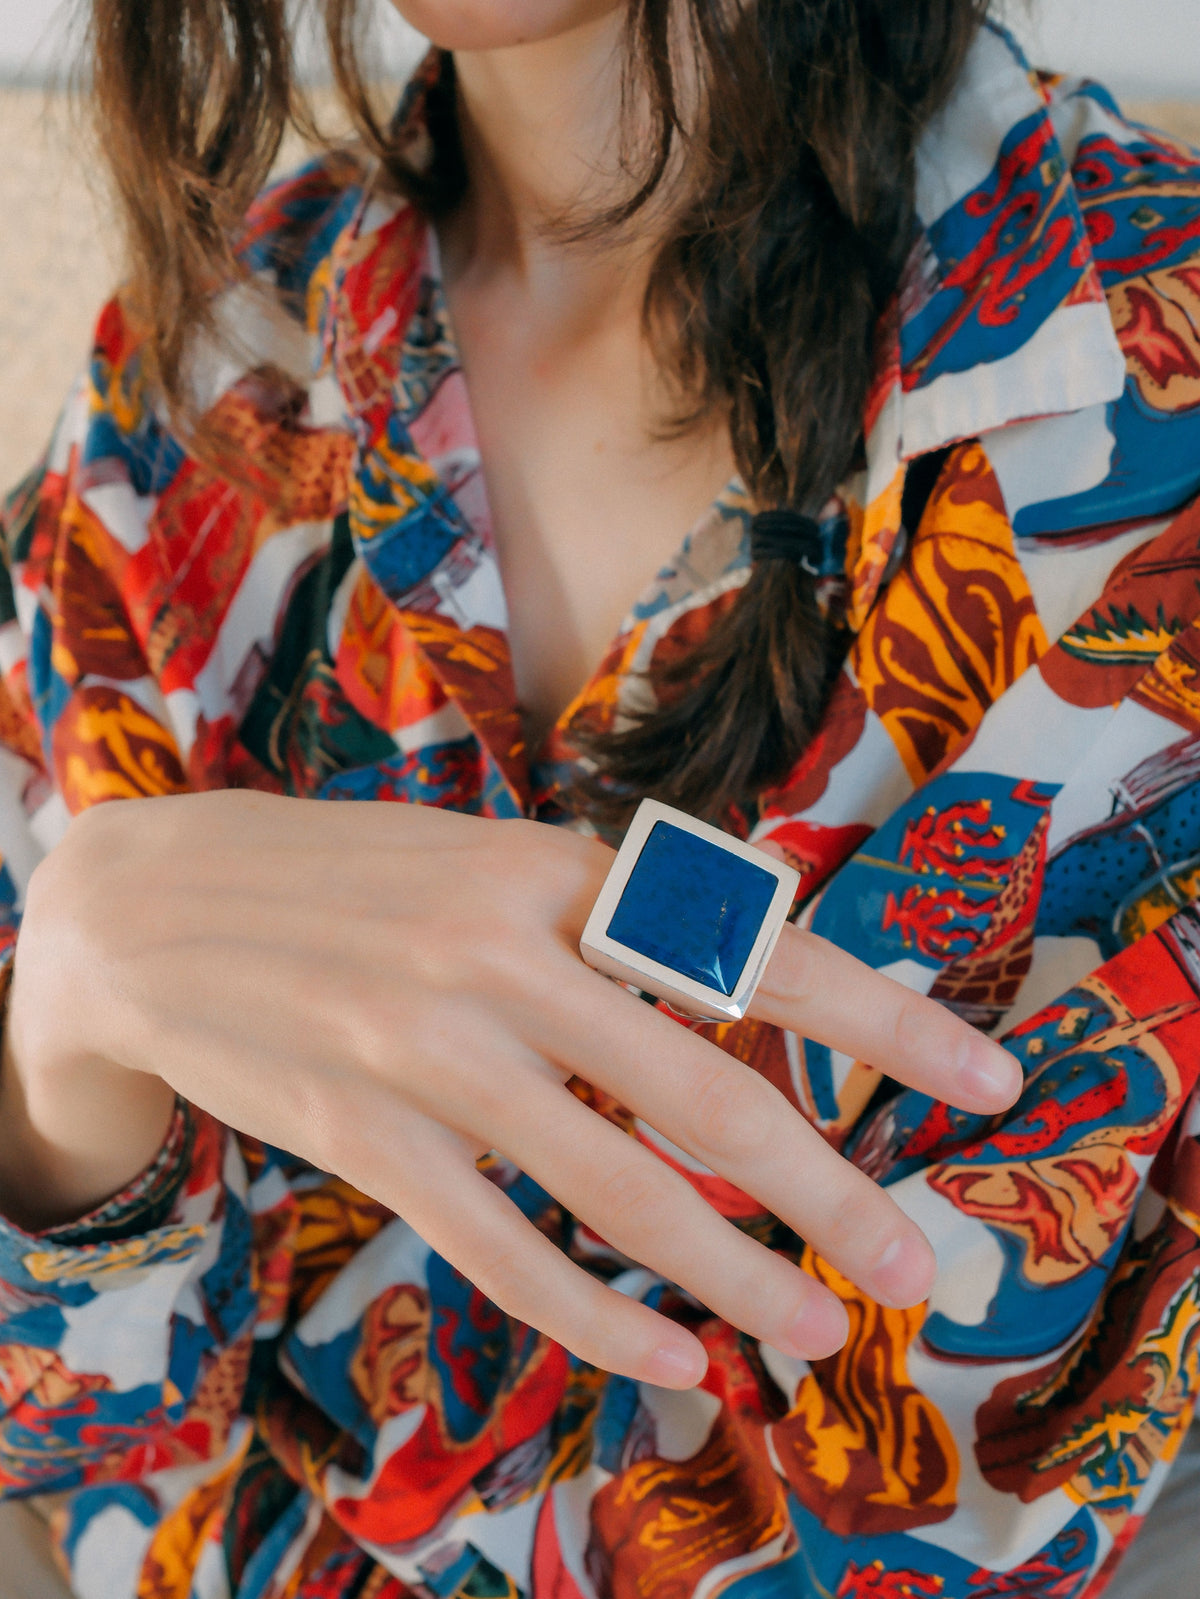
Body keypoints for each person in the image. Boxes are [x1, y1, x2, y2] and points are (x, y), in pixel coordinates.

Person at [0, 0, 1196, 1593]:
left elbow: (931, 1512)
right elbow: (78, 1440)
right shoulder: (213, 367)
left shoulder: (1129, 392)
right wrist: (71, 1020)